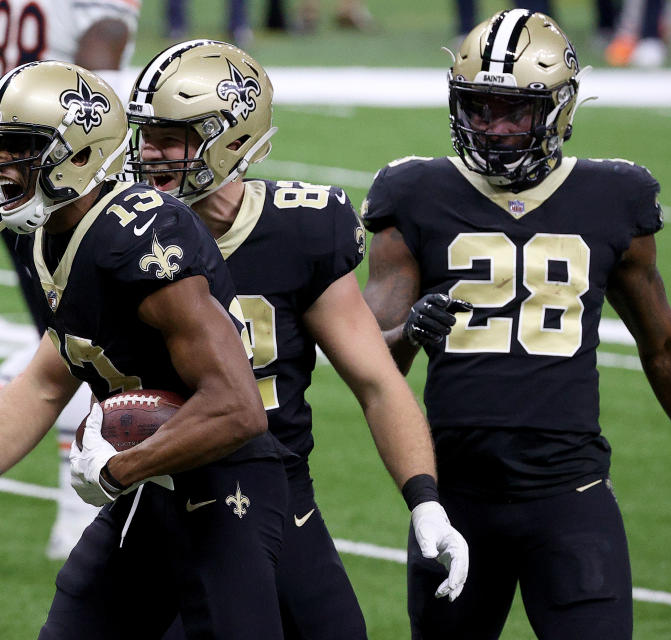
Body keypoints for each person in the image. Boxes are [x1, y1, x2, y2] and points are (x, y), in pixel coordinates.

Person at [361, 9, 671, 639]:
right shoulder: (414, 193)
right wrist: (410, 330)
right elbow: (370, 363)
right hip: (454, 499)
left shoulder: (612, 198)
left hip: (570, 497)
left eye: (512, 111)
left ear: (558, 110)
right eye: (477, 107)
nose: (491, 128)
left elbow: (665, 347)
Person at [0, 60, 296, 638]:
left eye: (17, 147)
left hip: (224, 487)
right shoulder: (52, 235)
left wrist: (121, 469)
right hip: (151, 488)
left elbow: (237, 407)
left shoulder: (140, 238)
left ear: (81, 154)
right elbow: (48, 377)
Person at [127, 39, 469, 639]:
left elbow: (376, 381)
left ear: (232, 138)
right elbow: (51, 373)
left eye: (170, 138)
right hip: (165, 492)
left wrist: (425, 499)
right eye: (145, 135)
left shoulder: (301, 227)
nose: (150, 154)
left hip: (282, 496)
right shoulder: (120, 232)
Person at [0, 0, 140, 560]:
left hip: (10, 166)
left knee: (61, 338)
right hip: (62, 179)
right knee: (82, 344)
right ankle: (74, 519)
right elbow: (102, 58)